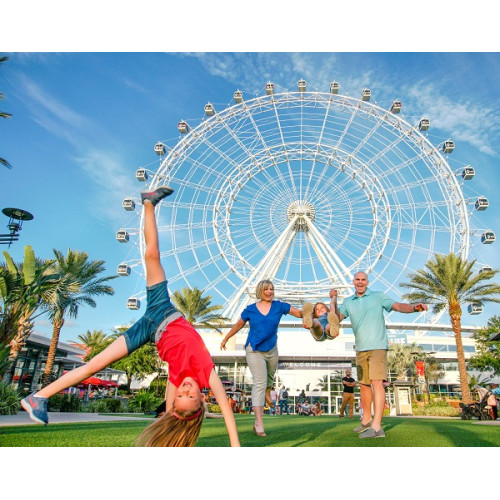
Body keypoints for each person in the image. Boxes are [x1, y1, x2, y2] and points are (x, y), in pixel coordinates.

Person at [21, 186, 240, 447]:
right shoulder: (207, 374)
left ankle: (38, 397)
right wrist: (235, 448)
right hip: (165, 311)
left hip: (148, 328)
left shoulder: (174, 379)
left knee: (94, 364)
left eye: (181, 395)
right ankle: (149, 203)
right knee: (152, 255)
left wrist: (169, 418)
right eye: (190, 396)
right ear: (202, 399)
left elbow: (170, 412)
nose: (185, 390)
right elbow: (227, 411)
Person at [332, 271, 427, 439]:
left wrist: (413, 308)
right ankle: (366, 419)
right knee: (363, 385)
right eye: (357, 280)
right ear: (353, 282)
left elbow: (397, 306)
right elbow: (334, 320)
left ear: (367, 282)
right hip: (361, 348)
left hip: (377, 347)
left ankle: (377, 427)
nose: (360, 282)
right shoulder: (348, 302)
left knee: (377, 383)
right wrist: (333, 299)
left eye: (363, 280)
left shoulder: (378, 296)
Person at [220, 282, 304, 436]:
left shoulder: (279, 306)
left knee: (270, 378)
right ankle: (259, 423)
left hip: (271, 349)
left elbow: (299, 313)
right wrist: (226, 338)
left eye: (272, 289)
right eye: (266, 289)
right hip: (254, 349)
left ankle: (268, 390)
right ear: (260, 291)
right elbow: (238, 325)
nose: (269, 291)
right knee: (260, 382)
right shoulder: (251, 309)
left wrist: (315, 313)